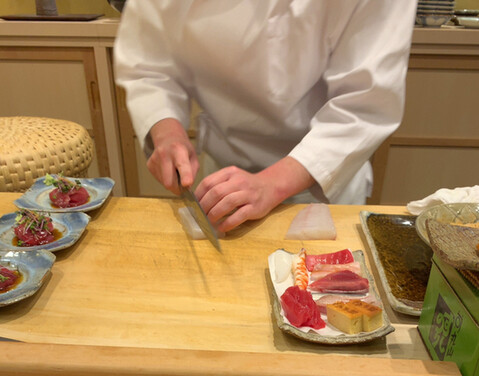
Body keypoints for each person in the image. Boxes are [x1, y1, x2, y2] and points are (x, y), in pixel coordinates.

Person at [114, 0, 417, 233]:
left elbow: (364, 102)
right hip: (223, 176)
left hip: (321, 179)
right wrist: (166, 129)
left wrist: (272, 184)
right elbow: (148, 63)